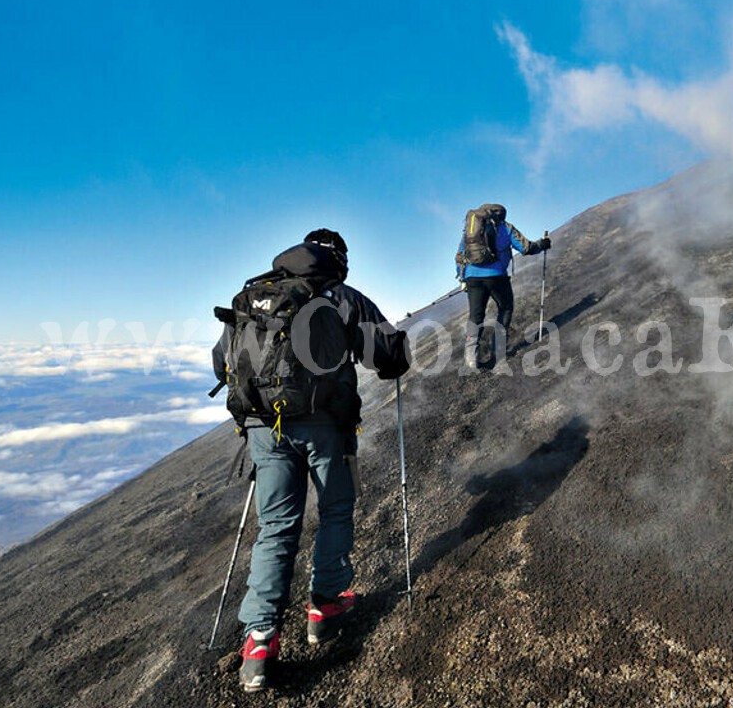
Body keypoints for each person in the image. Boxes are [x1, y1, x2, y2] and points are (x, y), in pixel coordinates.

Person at [212, 228, 408, 693]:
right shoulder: (342, 297)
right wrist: (396, 357)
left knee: (277, 527)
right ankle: (326, 606)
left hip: (265, 429)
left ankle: (259, 642)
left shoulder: (255, 296)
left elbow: (222, 362)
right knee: (336, 509)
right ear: (337, 257)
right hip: (325, 427)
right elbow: (384, 355)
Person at [455, 204, 551, 369]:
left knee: (475, 316)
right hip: (496, 276)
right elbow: (526, 248)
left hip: (472, 278)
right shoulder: (504, 227)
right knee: (505, 308)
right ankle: (497, 352)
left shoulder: (470, 230)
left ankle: (471, 359)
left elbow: (459, 255)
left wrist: (462, 278)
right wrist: (542, 245)